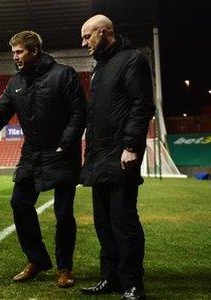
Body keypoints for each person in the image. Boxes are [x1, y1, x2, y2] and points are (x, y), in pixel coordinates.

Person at [0, 31, 86, 288]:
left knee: (64, 214)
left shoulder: (64, 74)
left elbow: (79, 112)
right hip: (32, 154)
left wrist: (66, 142)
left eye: (19, 52)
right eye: (13, 52)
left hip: (62, 154)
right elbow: (1, 110)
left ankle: (65, 268)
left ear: (34, 51)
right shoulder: (15, 82)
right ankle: (36, 259)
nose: (14, 57)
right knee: (19, 203)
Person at [79, 15, 155, 300]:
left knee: (123, 222)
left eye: (87, 37)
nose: (83, 42)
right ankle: (109, 277)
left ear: (104, 32)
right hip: (99, 156)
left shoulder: (132, 60)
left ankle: (133, 284)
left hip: (121, 153)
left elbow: (141, 105)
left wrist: (131, 145)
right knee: (103, 223)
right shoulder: (100, 67)